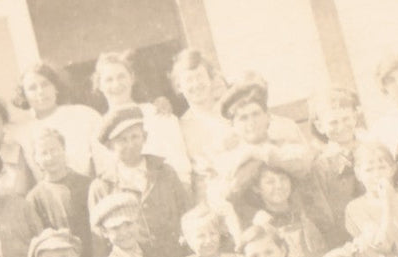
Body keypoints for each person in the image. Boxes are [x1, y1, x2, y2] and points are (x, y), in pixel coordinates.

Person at [86, 105, 192, 257]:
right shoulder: (102, 186)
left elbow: (187, 213)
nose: (130, 144)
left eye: (135, 137)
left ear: (145, 137)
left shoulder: (165, 172)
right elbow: (99, 241)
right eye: (122, 140)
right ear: (110, 146)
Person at [212, 76, 317, 220]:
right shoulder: (228, 160)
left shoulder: (285, 146)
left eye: (256, 114)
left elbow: (303, 163)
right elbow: (225, 193)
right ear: (233, 126)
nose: (251, 122)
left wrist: (259, 153)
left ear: (268, 117)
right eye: (243, 118)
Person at [90, 50, 191, 185]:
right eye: (109, 79)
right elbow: (106, 176)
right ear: (100, 85)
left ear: (132, 78)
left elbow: (180, 164)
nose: (116, 84)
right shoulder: (99, 130)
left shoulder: (156, 113)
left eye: (121, 77)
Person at [11, 61, 105, 178]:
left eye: (45, 84)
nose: (40, 92)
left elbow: (105, 159)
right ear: (24, 95)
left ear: (56, 87)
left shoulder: (83, 115)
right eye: (32, 88)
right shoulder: (23, 133)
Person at [228, 159, 328, 257]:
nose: (279, 186)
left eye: (283, 179)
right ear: (257, 188)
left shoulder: (306, 213)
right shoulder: (258, 224)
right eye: (270, 182)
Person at [169, 49, 236, 203]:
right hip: (210, 201)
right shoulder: (179, 127)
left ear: (211, 79)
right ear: (179, 86)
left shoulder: (231, 114)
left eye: (200, 76)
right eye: (189, 80)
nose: (196, 84)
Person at [26, 127, 96, 257]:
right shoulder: (34, 197)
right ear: (36, 159)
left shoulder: (87, 184)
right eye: (44, 153)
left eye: (54, 150)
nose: (50, 157)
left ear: (64, 150)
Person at [344, 137, 398, 257]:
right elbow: (382, 245)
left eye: (382, 167)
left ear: (392, 169)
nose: (376, 175)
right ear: (358, 173)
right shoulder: (355, 208)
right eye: (369, 170)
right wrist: (387, 203)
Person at [308, 88, 367, 244]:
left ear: (355, 117)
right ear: (320, 126)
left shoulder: (371, 150)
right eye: (333, 122)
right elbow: (323, 214)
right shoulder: (321, 166)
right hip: (347, 238)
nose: (341, 126)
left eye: (346, 119)